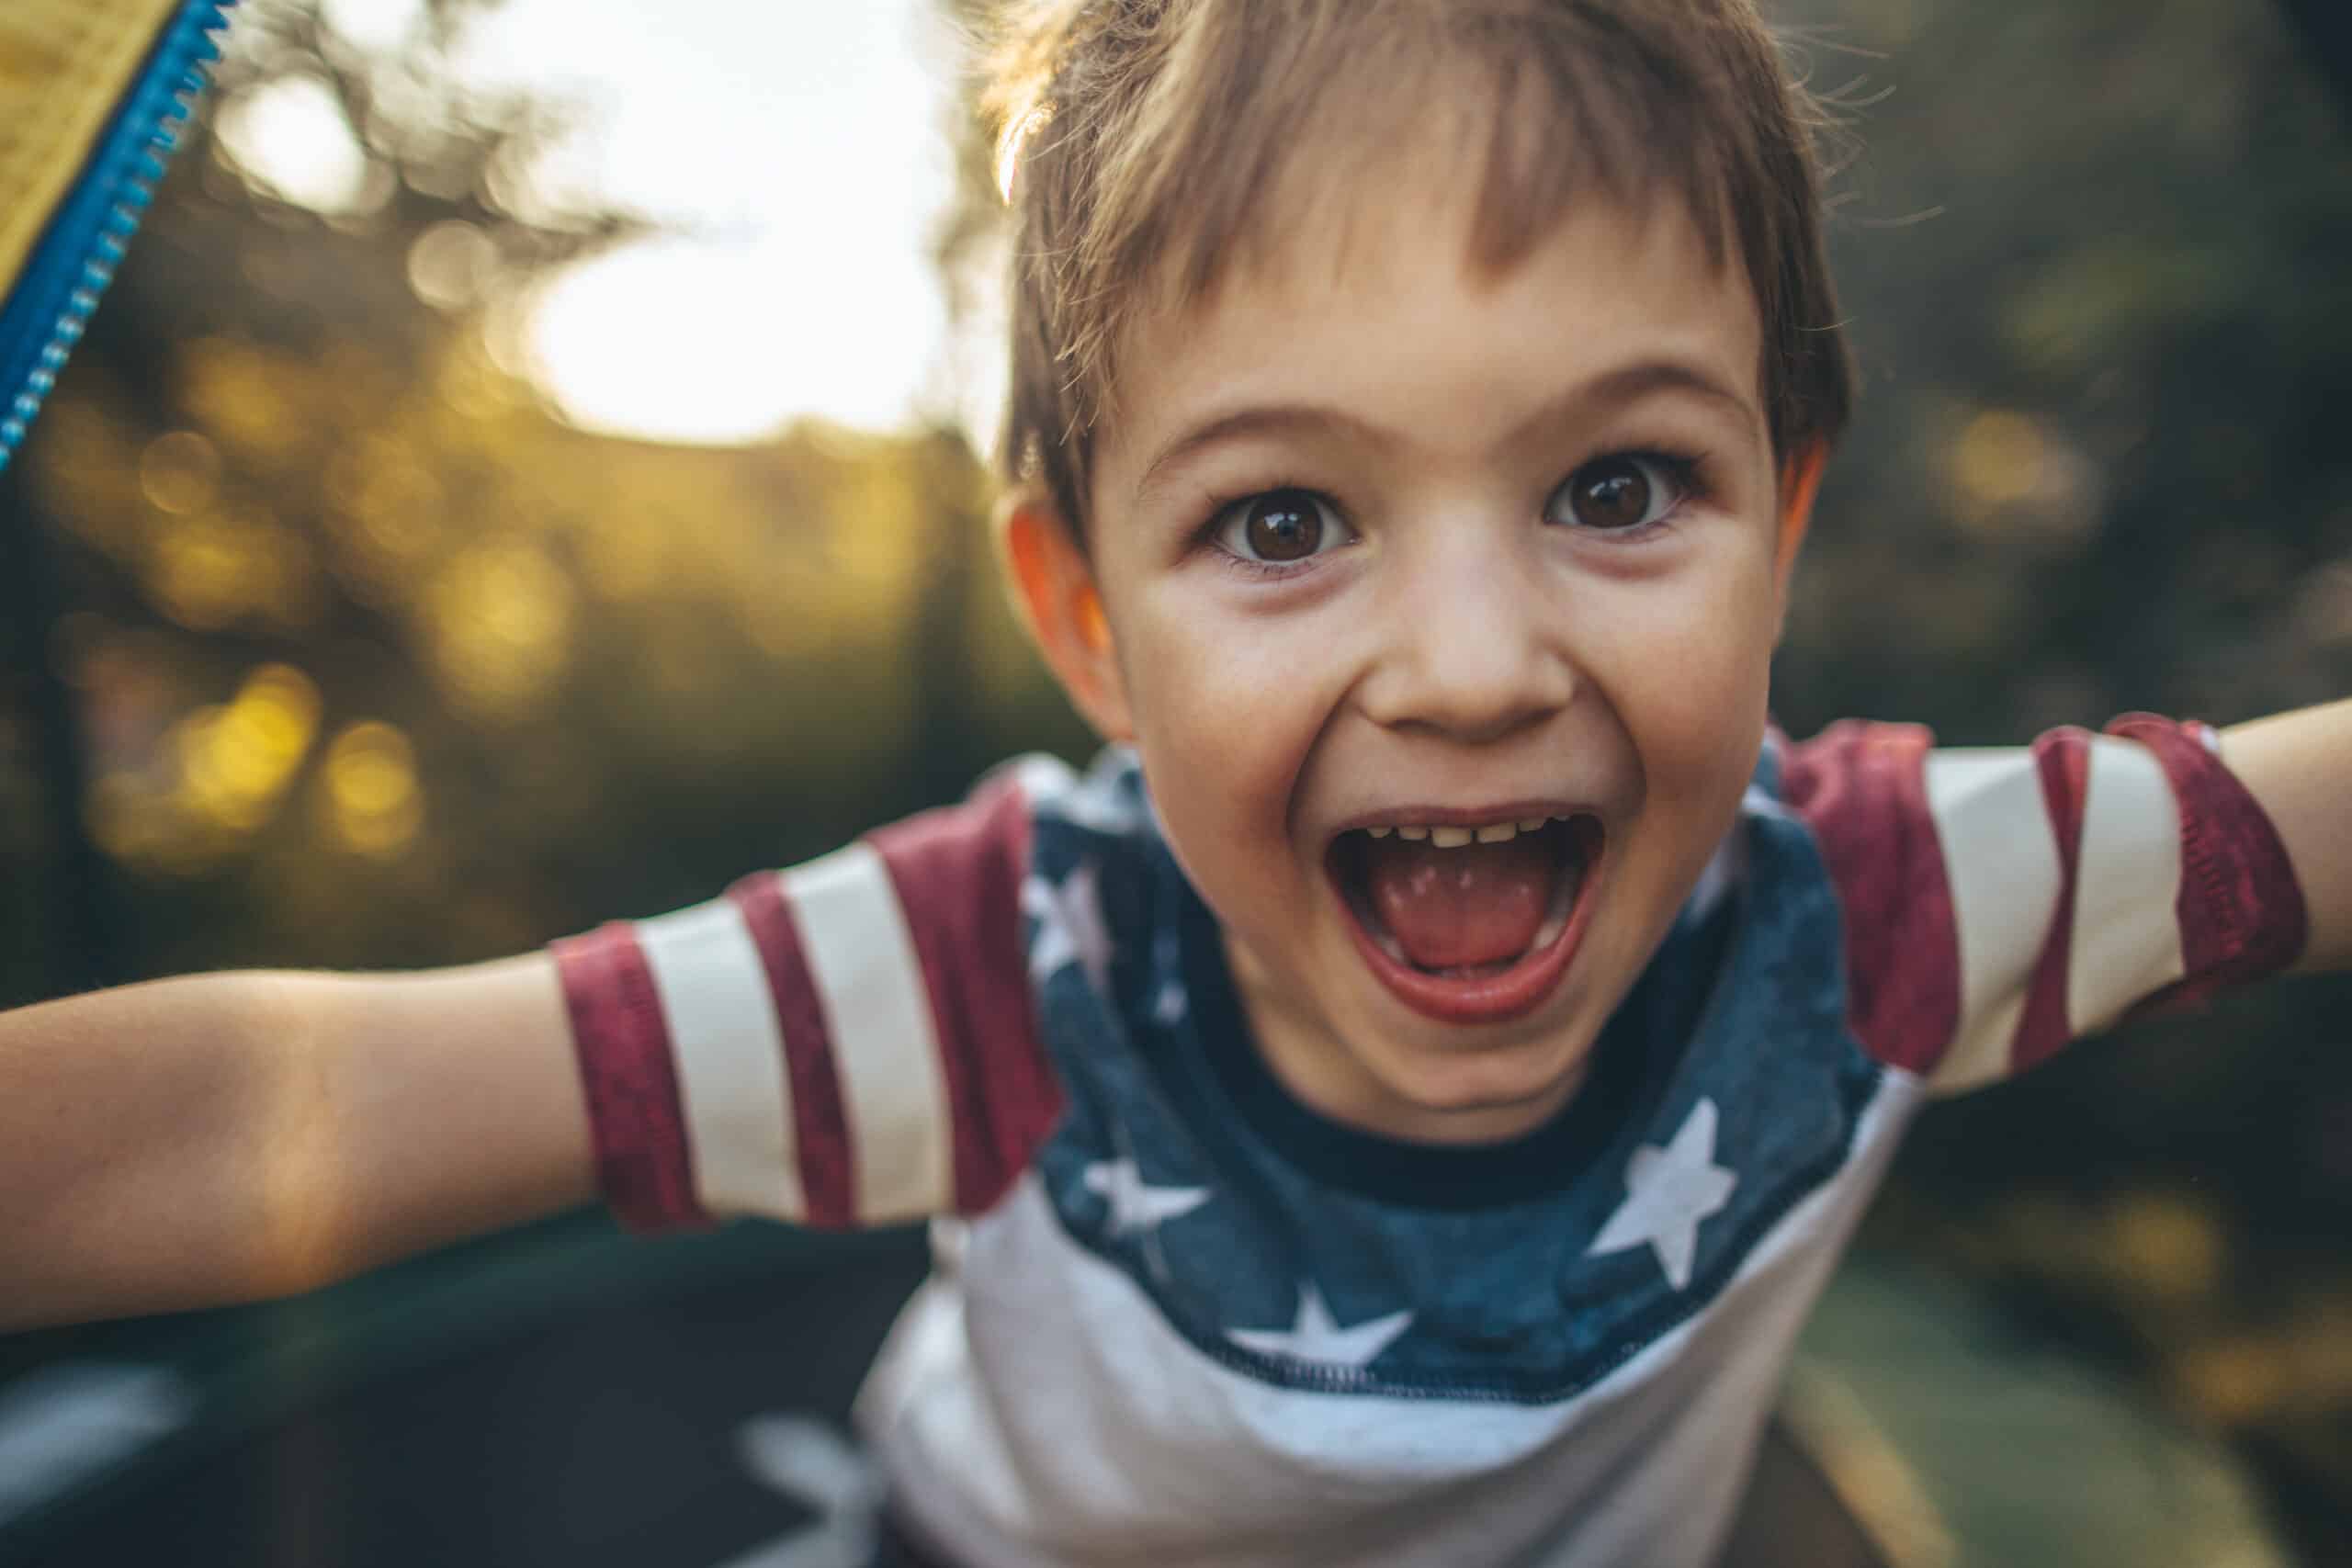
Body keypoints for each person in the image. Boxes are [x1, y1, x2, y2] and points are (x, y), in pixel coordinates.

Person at [2, 1, 2345, 1564]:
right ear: (1089, 624)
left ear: (1783, 517)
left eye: (1619, 486)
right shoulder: (996, 968)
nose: (1464, 661)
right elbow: (296, 1109)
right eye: (1283, 520)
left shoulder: (1874, 917)